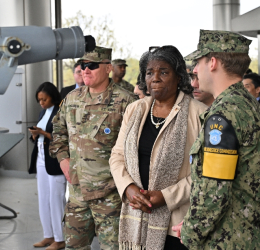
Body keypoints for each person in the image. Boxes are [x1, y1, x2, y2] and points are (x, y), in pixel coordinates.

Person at [109, 45, 207, 250]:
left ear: (179, 77)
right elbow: (117, 155)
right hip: (136, 215)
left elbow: (205, 172)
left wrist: (166, 196)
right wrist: (128, 188)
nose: (155, 78)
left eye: (164, 72)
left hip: (177, 222)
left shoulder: (200, 114)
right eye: (149, 72)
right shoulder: (135, 109)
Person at [173, 29, 260, 249]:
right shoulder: (248, 103)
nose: (194, 70)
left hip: (226, 238)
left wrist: (191, 231)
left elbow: (215, 192)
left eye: (197, 63)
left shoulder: (223, 114)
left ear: (212, 62)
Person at [50, 46, 137, 250]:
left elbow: (136, 149)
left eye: (92, 65)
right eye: (82, 65)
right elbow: (58, 131)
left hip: (110, 197)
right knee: (74, 247)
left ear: (108, 68)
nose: (85, 70)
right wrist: (63, 160)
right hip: (77, 194)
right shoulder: (72, 99)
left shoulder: (126, 102)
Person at [28, 82, 66, 250]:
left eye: (44, 99)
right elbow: (41, 136)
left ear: (52, 97)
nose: (41, 103)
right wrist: (35, 135)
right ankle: (48, 235)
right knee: (43, 198)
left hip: (55, 160)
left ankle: (60, 238)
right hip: (41, 158)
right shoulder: (43, 112)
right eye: (39, 100)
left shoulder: (60, 112)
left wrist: (42, 133)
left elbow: (63, 137)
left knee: (56, 200)